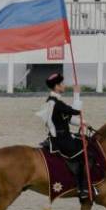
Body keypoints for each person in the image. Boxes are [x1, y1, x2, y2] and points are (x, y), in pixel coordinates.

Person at [37, 72, 92, 202]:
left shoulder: (56, 102)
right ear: (56, 86)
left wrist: (83, 123)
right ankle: (82, 188)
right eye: (62, 84)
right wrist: (77, 94)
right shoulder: (54, 103)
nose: (64, 85)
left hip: (63, 136)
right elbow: (75, 111)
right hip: (61, 139)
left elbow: (67, 118)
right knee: (85, 153)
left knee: (84, 142)